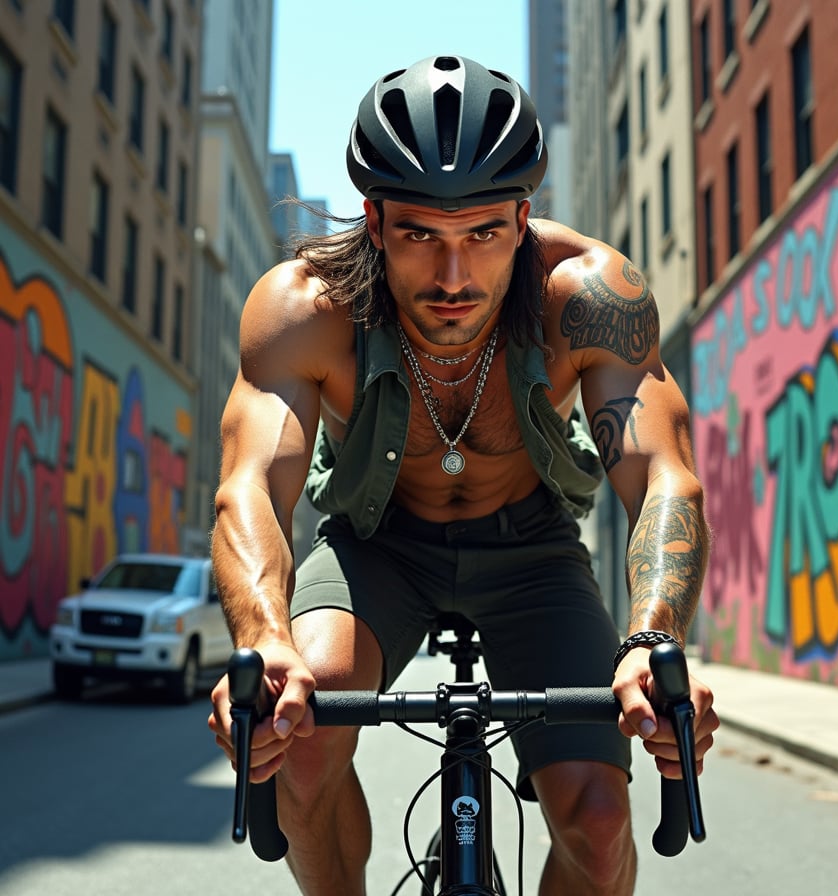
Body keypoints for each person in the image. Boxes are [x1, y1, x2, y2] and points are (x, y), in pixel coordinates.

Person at [208, 55, 718, 895]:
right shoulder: (305, 308)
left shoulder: (589, 295)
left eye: (483, 233)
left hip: (533, 552)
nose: (453, 278)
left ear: (523, 219)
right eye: (420, 236)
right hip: (377, 545)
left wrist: (655, 638)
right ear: (373, 221)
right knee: (300, 742)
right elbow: (251, 486)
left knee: (597, 820)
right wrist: (264, 639)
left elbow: (664, 474)